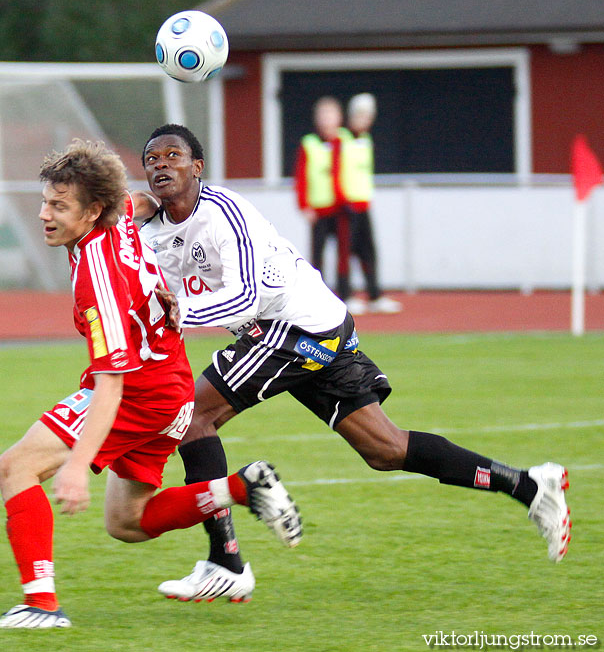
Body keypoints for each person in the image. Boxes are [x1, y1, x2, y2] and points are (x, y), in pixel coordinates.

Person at [134, 124, 571, 603]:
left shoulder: (222, 212)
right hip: (312, 331)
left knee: (194, 416)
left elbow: (247, 297)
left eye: (173, 155)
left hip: (295, 327)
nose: (161, 164)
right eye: (152, 159)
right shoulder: (156, 231)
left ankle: (226, 563)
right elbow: (162, 292)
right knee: (385, 449)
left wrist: (182, 314)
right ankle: (528, 485)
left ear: (198, 167)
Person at [0, 140, 302, 629]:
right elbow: (137, 199)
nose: (44, 214)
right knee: (126, 523)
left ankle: (40, 605)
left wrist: (76, 466)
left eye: (58, 206)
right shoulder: (120, 215)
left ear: (91, 211)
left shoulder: (97, 274)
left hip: (139, 392)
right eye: (45, 201)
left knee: (16, 467)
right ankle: (241, 487)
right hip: (172, 387)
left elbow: (111, 380)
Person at [338, 93, 402, 314]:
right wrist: (342, 199)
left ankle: (374, 294)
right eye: (363, 114)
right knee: (345, 252)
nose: (366, 120)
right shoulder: (341, 139)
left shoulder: (365, 139)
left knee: (369, 251)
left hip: (364, 203)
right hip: (346, 205)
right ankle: (344, 295)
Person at [293, 96, 347, 297]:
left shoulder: (345, 141)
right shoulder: (309, 143)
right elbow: (301, 177)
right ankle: (319, 294)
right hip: (319, 209)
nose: (327, 120)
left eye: (331, 115)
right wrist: (304, 205)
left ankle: (345, 293)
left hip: (342, 207)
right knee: (318, 255)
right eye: (323, 115)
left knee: (344, 253)